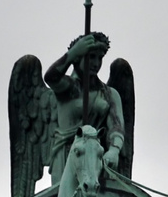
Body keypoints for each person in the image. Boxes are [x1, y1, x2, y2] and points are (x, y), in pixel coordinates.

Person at [43, 32, 125, 182]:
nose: (96, 63)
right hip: (66, 155)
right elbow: (50, 77)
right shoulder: (67, 88)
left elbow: (116, 127)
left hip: (95, 156)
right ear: (78, 58)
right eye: (91, 57)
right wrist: (73, 52)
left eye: (100, 58)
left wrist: (114, 150)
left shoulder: (109, 94)